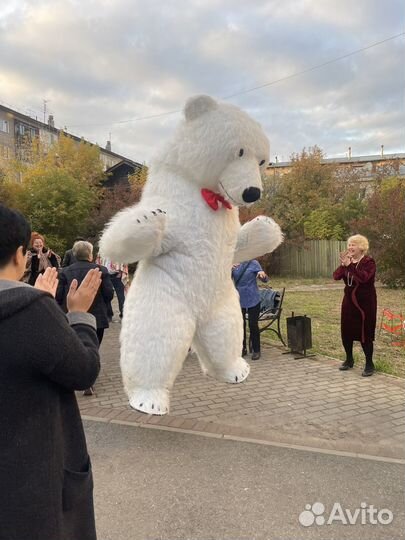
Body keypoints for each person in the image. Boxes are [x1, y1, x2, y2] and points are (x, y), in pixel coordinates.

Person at [0, 204, 102, 540]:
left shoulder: (31, 308)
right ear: (20, 255)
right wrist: (76, 316)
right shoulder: (31, 312)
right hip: (31, 493)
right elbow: (83, 371)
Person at [56, 241, 113, 395]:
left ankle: (77, 373)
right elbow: (109, 294)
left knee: (75, 343)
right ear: (90, 254)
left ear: (74, 255)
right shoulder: (101, 270)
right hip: (97, 316)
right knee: (94, 345)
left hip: (73, 314)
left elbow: (59, 295)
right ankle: (89, 376)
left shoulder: (65, 272)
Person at [333, 234, 377, 376]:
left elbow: (364, 278)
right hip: (349, 301)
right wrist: (343, 264)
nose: (350, 247)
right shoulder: (348, 261)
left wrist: (350, 266)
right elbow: (336, 276)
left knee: (365, 332)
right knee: (346, 330)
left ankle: (369, 364)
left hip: (365, 302)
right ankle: (349, 359)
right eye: (350, 244)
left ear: (361, 247)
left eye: (354, 245)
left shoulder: (369, 262)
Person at [232, 259, 268, 360]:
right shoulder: (234, 263)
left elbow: (265, 279)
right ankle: (242, 348)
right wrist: (228, 269)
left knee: (253, 324)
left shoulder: (254, 263)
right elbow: (225, 280)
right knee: (240, 325)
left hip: (253, 298)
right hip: (239, 298)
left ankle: (256, 350)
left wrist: (263, 275)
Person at [95, 254, 128, 320]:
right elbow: (98, 261)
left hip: (117, 275)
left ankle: (123, 314)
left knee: (120, 296)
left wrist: (121, 273)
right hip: (106, 275)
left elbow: (124, 261)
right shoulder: (102, 250)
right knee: (107, 295)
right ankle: (108, 315)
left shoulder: (119, 249)